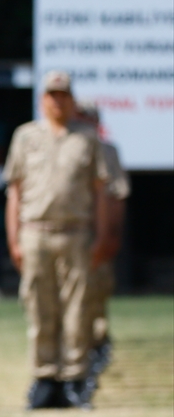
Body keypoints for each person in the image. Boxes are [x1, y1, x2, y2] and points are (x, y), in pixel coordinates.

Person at [4, 70, 118, 410]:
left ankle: (74, 379)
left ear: (71, 99)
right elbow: (15, 192)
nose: (58, 100)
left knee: (77, 309)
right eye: (52, 94)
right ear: (43, 99)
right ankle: (44, 378)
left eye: (63, 95)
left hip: (77, 234)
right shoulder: (25, 136)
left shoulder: (88, 138)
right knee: (40, 307)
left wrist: (101, 235)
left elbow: (100, 193)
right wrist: (14, 238)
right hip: (36, 232)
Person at [73, 100, 129, 387]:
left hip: (95, 237)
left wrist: (110, 236)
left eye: (86, 119)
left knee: (94, 297)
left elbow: (117, 195)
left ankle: (95, 347)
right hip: (71, 238)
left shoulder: (107, 151)